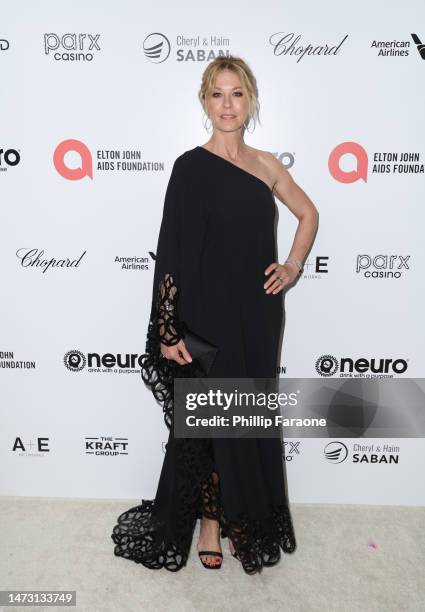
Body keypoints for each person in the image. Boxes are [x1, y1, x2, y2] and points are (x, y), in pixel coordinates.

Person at [111, 55, 318, 575]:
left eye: (237, 94)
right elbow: (172, 251)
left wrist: (292, 265)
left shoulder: (268, 164)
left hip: (258, 311)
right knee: (205, 424)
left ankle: (244, 516)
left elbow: (309, 213)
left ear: (250, 101)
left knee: (244, 419)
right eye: (218, 94)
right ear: (204, 102)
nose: (228, 104)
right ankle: (208, 522)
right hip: (205, 313)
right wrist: (167, 327)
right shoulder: (189, 166)